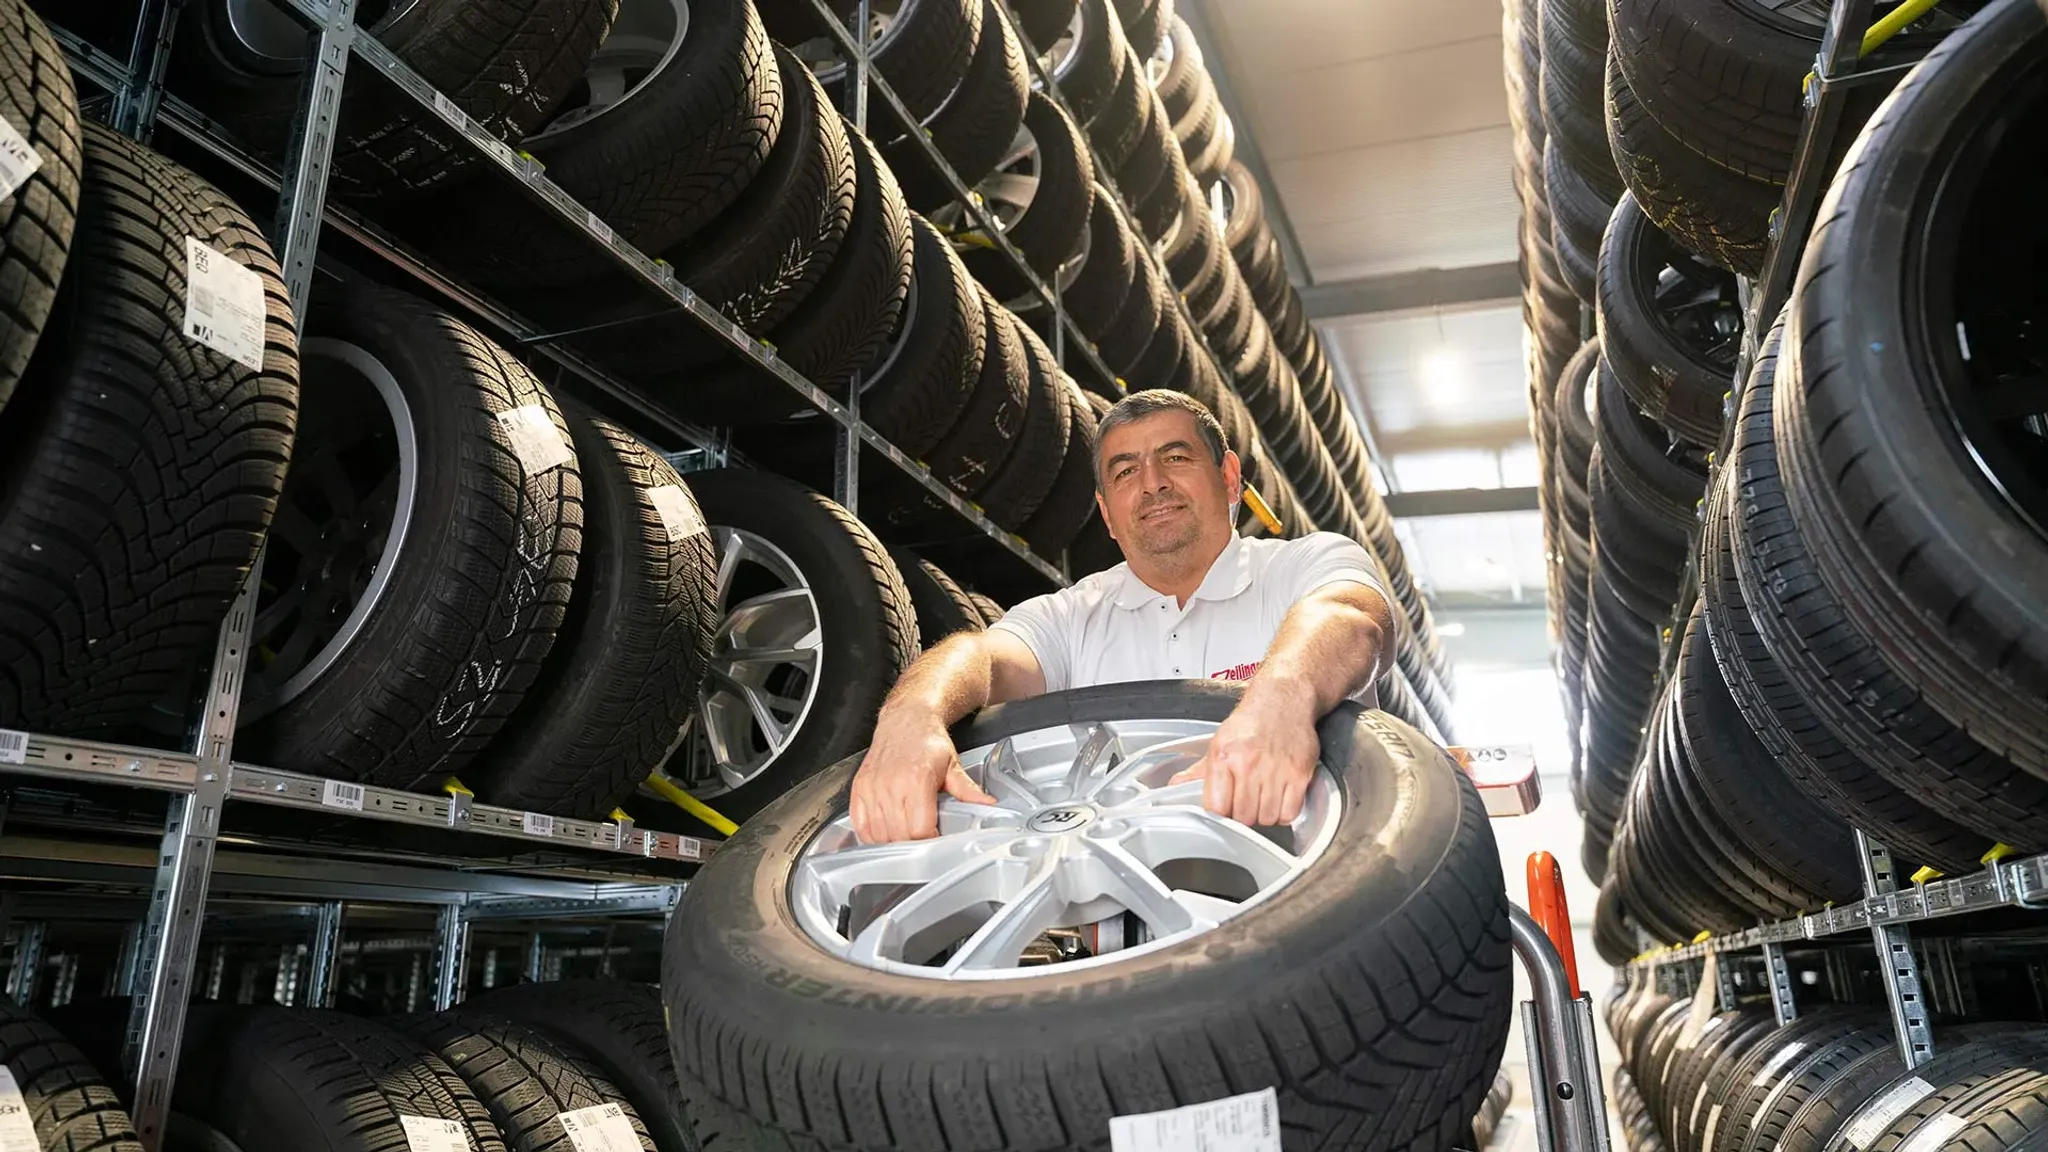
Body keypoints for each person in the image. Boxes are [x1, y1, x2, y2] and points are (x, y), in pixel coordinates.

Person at [849, 389, 1396, 844]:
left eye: (1175, 457)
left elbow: (1350, 618)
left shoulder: (1306, 562)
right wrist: (912, 715)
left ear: (1230, 478)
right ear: (1107, 512)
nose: (1153, 483)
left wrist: (1279, 700)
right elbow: (982, 658)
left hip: (1317, 895)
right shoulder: (1072, 617)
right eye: (1125, 470)